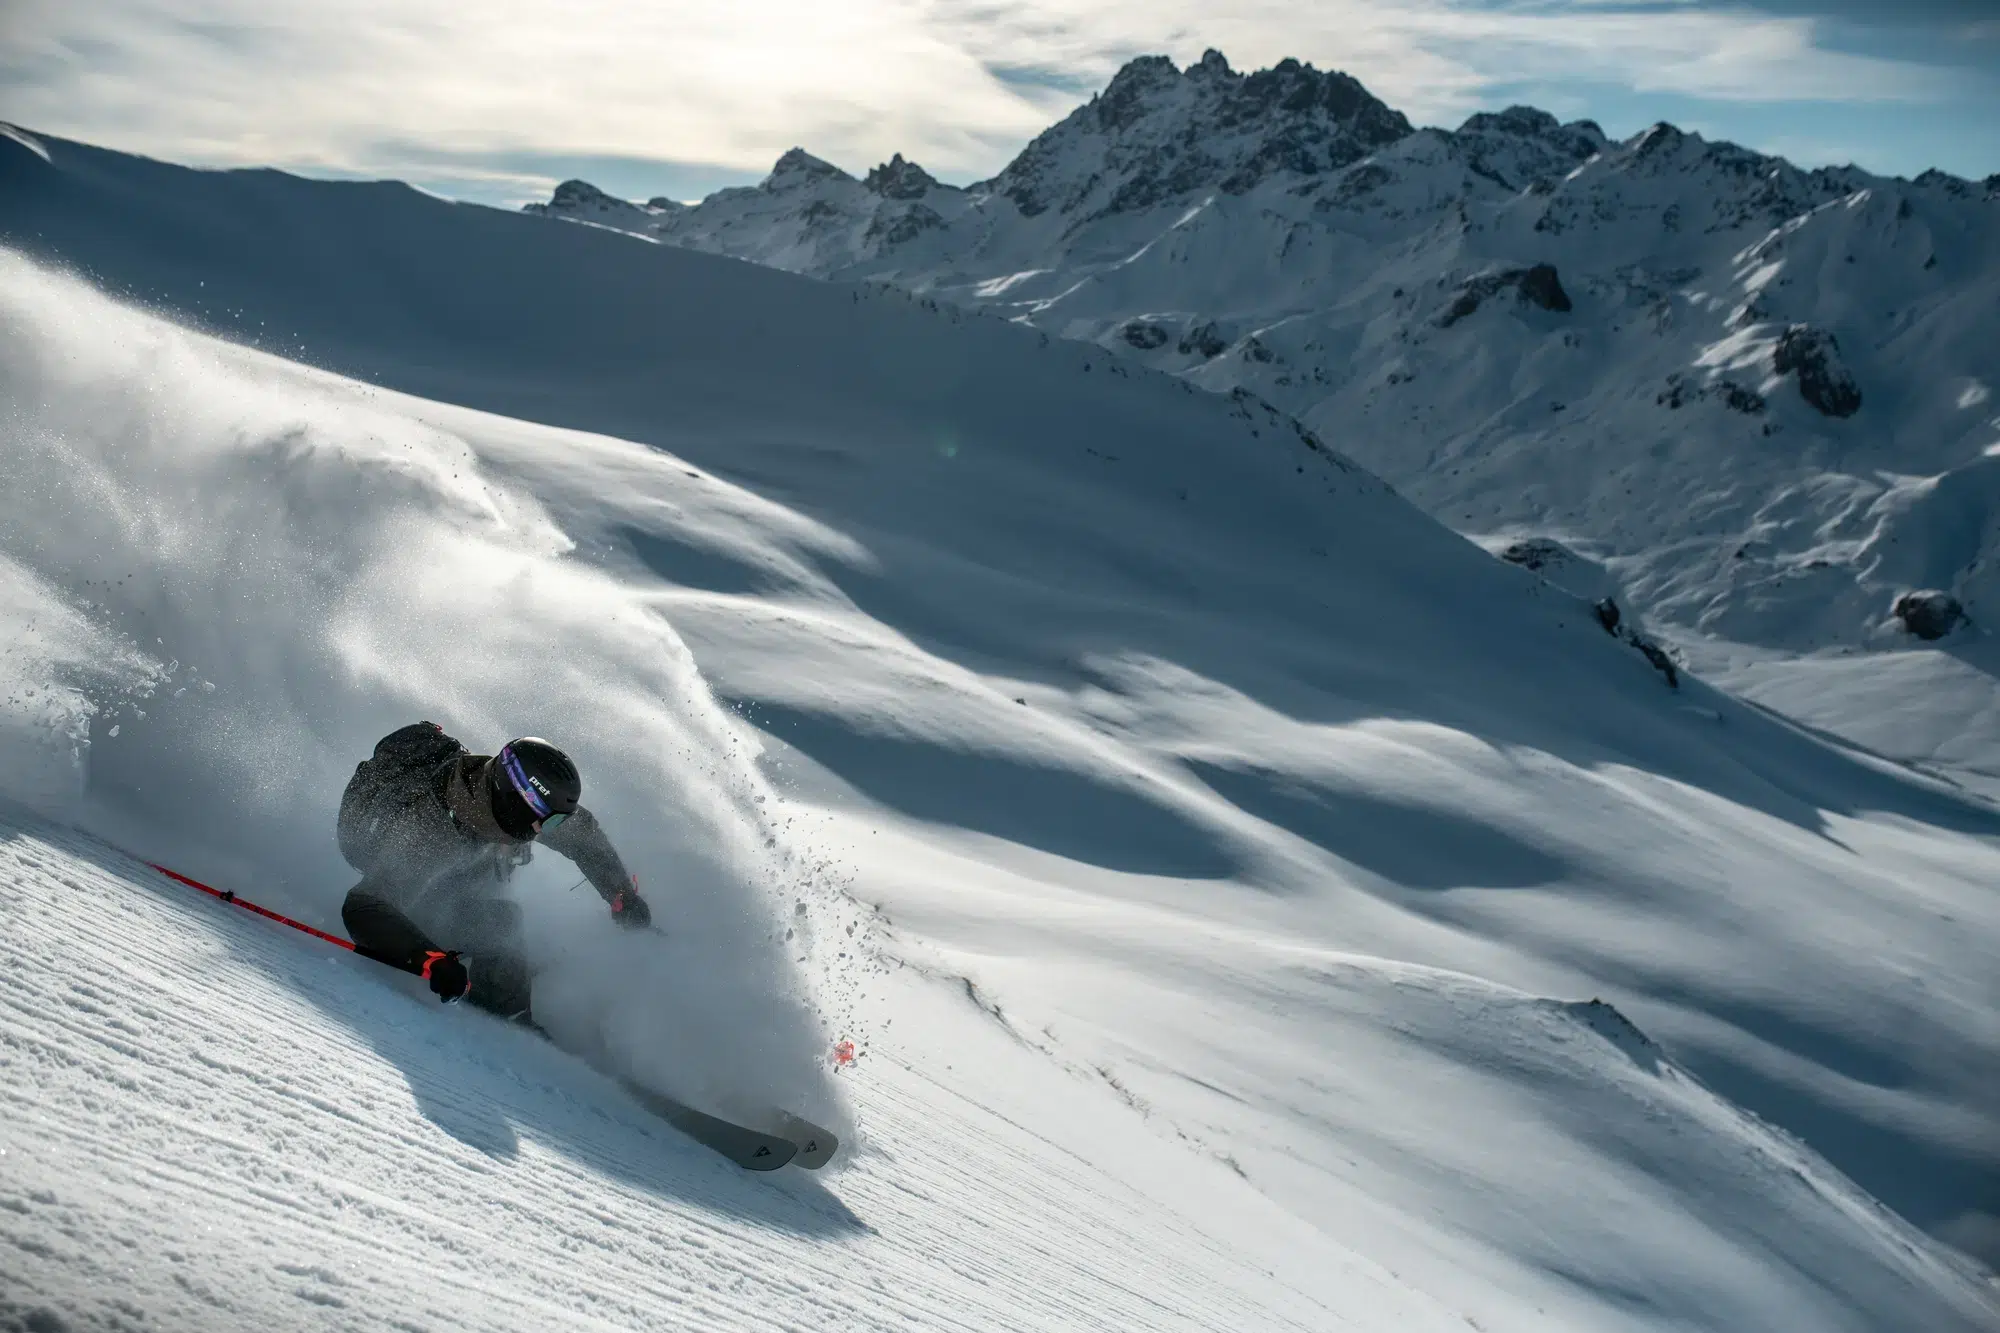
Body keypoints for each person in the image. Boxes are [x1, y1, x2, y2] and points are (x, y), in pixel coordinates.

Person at [336, 722, 650, 1018]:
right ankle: (502, 1025)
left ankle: (510, 980)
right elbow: (363, 906)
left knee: (499, 909)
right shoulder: (429, 836)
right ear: (517, 804)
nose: (551, 828)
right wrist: (428, 957)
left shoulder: (517, 807)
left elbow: (583, 836)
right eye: (550, 820)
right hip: (415, 900)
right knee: (501, 923)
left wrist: (619, 891)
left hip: (458, 873)